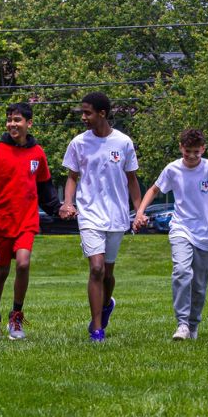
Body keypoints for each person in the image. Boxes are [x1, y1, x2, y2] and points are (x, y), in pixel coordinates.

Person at [134, 129, 208, 340]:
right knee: (181, 271)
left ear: (203, 149)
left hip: (206, 233)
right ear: (181, 147)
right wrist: (140, 212)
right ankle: (182, 324)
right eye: (187, 151)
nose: (191, 156)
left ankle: (193, 325)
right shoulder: (173, 169)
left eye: (196, 152)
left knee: (199, 286)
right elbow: (154, 189)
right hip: (181, 227)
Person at [0, 103, 61, 340]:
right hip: (0, 223)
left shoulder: (38, 153)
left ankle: (16, 316)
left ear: (29, 123)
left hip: (26, 222)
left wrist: (58, 208)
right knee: (2, 271)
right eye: (10, 120)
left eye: (18, 120)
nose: (13, 124)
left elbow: (45, 188)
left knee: (23, 264)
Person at [60, 92, 141, 342]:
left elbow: (132, 179)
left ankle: (106, 306)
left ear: (102, 113)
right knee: (96, 268)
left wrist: (139, 211)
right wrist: (68, 203)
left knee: (107, 273)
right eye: (82, 113)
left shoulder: (123, 142)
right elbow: (72, 177)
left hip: (116, 216)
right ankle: (97, 330)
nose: (83, 117)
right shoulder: (78, 143)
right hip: (89, 214)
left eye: (88, 113)